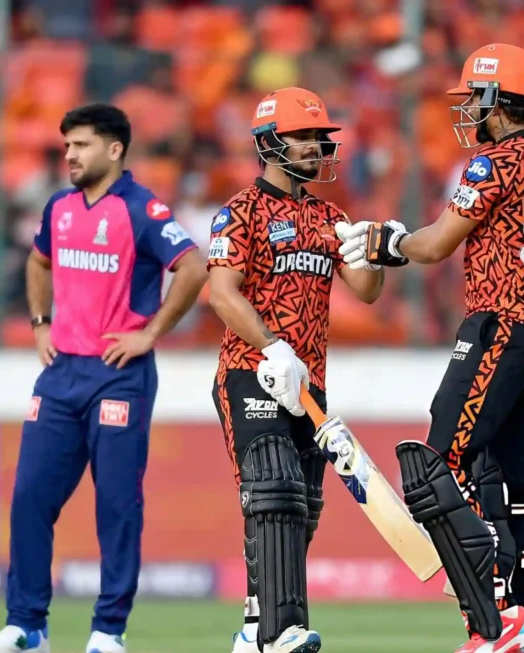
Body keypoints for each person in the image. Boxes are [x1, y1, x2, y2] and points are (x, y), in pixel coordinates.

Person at [337, 44, 524, 653]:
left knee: (439, 464)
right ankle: (512, 610)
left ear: (498, 100)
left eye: (475, 99)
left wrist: (391, 242)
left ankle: (489, 605)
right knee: (507, 478)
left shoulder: (492, 163)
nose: (469, 110)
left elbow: (438, 243)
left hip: (501, 322)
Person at [0, 104, 207, 653]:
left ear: (114, 149)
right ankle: (27, 626)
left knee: (116, 506)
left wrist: (150, 333)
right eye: (67, 147)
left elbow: (193, 267)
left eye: (81, 145)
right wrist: (40, 324)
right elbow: (38, 262)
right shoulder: (59, 208)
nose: (70, 156)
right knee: (30, 498)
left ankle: (108, 630)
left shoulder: (142, 209)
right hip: (60, 376)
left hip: (118, 376)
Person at [207, 87, 396, 653]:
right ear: (270, 143)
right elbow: (222, 293)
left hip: (309, 385)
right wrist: (272, 346)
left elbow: (366, 292)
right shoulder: (240, 212)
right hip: (252, 371)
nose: (316, 146)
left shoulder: (329, 216)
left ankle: (253, 627)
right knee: (275, 488)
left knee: (301, 511)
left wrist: (367, 251)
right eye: (304, 136)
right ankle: (281, 630)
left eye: (320, 137)